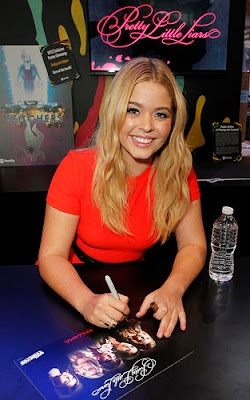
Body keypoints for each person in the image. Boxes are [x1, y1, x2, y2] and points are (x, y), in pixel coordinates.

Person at [38, 57, 207, 339]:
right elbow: (51, 256)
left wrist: (172, 289)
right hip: (71, 285)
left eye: (160, 114)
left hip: (134, 285)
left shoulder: (180, 170)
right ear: (115, 111)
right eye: (133, 110)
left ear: (173, 122)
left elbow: (194, 245)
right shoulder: (76, 167)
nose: (147, 126)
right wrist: (86, 301)